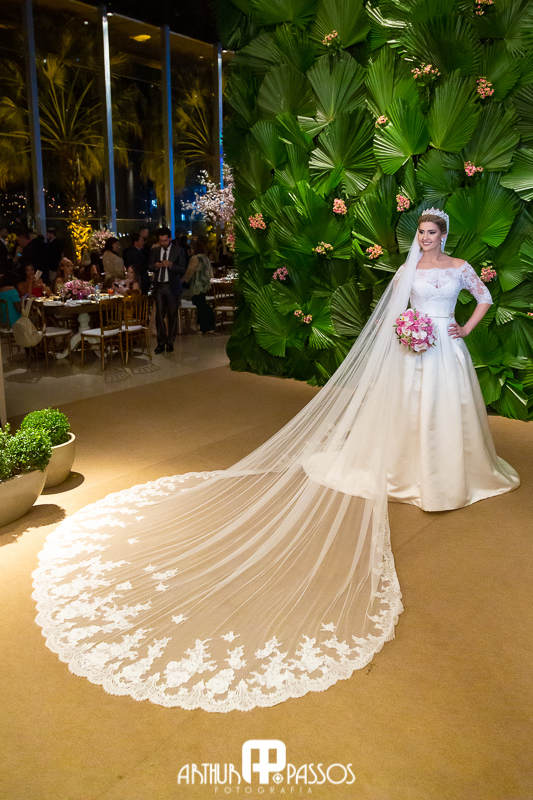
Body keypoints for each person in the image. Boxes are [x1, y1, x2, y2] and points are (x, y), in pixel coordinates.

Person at [32, 208, 519, 713]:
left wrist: (463, 327)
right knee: (407, 413)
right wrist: (405, 328)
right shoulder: (407, 269)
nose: (425, 238)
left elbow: (484, 296)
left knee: (444, 413)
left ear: (444, 234)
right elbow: (391, 311)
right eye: (420, 231)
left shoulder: (459, 267)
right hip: (411, 349)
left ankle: (446, 472)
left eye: (432, 232)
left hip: (445, 350)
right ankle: (406, 468)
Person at [149, 226, 185, 353]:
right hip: (159, 286)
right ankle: (161, 342)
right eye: (161, 241)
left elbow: (183, 268)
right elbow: (149, 266)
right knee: (159, 315)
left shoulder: (178, 250)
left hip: (172, 286)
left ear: (170, 238)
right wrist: (155, 266)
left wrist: (170, 265)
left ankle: (170, 342)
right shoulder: (155, 251)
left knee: (172, 315)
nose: (163, 243)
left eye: (165, 240)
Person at [182, 240, 215, 334]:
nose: (191, 250)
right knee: (202, 303)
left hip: (196, 285)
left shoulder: (194, 258)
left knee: (199, 305)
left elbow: (190, 271)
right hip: (204, 285)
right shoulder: (206, 258)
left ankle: (204, 327)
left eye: (192, 248)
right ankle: (208, 325)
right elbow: (210, 272)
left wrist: (183, 280)